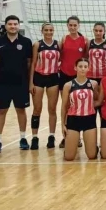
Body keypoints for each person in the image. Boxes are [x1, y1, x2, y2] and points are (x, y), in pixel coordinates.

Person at [0, 15, 32, 153]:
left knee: (21, 110)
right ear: (6, 26)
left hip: (21, 83)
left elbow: (29, 62)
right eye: (10, 24)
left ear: (19, 26)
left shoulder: (26, 42)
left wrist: (29, 81)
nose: (13, 26)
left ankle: (23, 138)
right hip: (3, 83)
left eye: (15, 24)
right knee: (1, 111)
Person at [60, 58, 100, 161]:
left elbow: (97, 100)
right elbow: (64, 106)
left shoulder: (94, 84)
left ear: (89, 68)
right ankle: (69, 148)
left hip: (89, 119)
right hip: (73, 120)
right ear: (75, 68)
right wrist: (63, 124)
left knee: (91, 156)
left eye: (85, 67)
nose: (83, 69)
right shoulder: (68, 85)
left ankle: (93, 147)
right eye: (80, 66)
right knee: (69, 157)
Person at [29, 22, 60, 150]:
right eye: (46, 30)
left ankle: (51, 136)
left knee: (52, 109)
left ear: (53, 31)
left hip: (53, 78)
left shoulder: (58, 44)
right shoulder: (37, 44)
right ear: (42, 31)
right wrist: (31, 82)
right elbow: (33, 63)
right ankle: (34, 137)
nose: (48, 32)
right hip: (39, 77)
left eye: (50, 30)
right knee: (37, 109)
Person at [59, 16, 88, 148]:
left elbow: (86, 58)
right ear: (67, 26)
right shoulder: (64, 39)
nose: (72, 27)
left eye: (75, 25)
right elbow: (59, 55)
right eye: (70, 25)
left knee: (79, 107)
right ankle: (66, 136)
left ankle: (78, 137)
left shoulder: (84, 40)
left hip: (78, 77)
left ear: (78, 25)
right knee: (66, 106)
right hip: (64, 75)